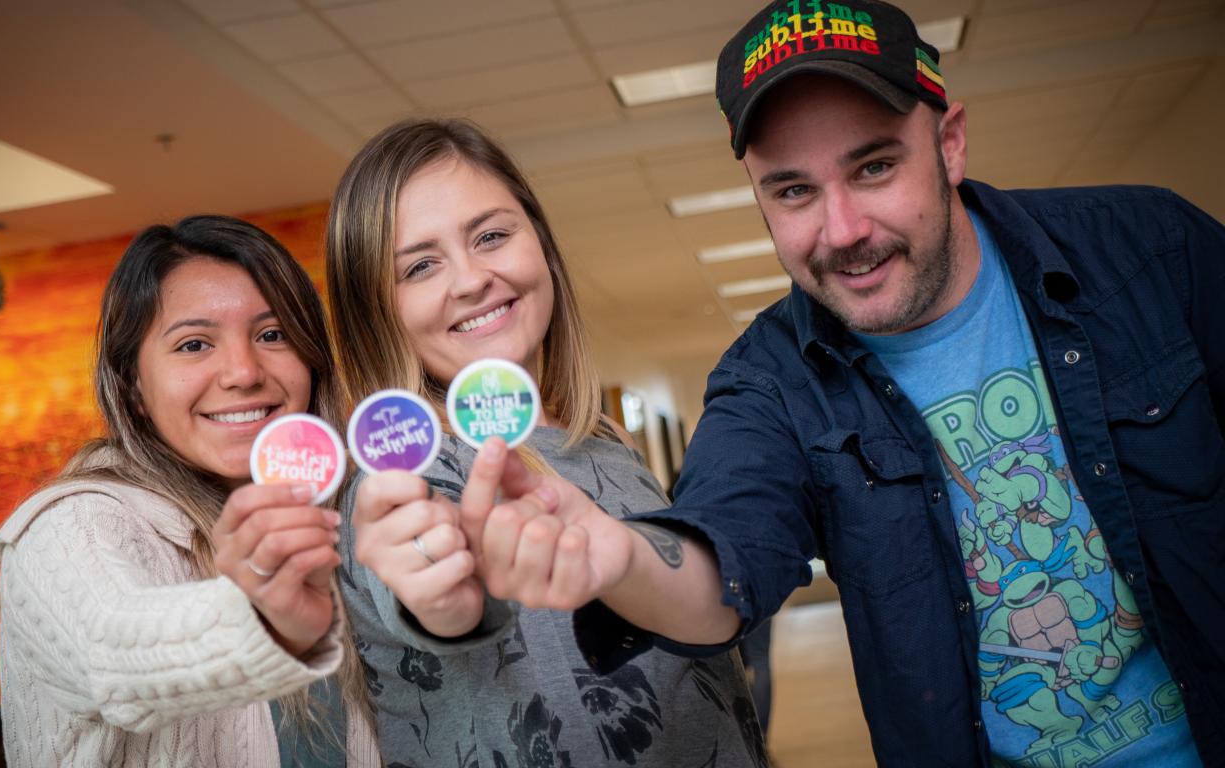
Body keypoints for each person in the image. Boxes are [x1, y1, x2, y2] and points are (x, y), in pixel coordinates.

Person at [462, 1, 1225, 765]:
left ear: (949, 144)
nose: (843, 230)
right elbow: (724, 559)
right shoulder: (770, 382)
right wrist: (618, 555)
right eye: (793, 191)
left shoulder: (1150, 250)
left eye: (874, 167)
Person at [313, 117, 768, 766]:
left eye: (492, 235)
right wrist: (444, 599)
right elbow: (421, 585)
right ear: (377, 311)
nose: (471, 279)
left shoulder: (602, 439)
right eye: (419, 266)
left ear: (543, 246)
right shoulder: (404, 475)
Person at [0, 216, 356, 767]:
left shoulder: (347, 509)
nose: (242, 372)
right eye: (194, 344)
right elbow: (113, 650)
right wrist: (261, 618)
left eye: (272, 334)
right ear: (133, 387)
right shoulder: (71, 526)